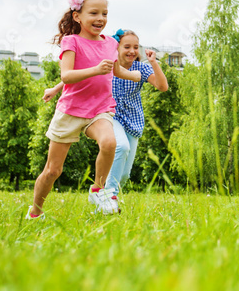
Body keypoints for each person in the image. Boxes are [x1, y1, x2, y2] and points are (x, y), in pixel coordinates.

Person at [27, 0, 141, 219]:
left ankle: (99, 190)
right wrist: (96, 70)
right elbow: (67, 75)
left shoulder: (111, 43)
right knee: (52, 171)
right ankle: (36, 210)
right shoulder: (72, 42)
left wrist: (137, 75)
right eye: (94, 13)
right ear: (77, 16)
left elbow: (116, 70)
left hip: (100, 108)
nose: (101, 18)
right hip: (70, 111)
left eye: (105, 13)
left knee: (110, 143)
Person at [43, 29, 169, 209]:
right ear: (117, 49)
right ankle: (106, 199)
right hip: (108, 114)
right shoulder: (107, 64)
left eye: (135, 47)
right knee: (121, 146)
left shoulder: (141, 68)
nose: (132, 51)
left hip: (133, 120)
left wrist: (154, 62)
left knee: (124, 175)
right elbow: (78, 75)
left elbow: (162, 86)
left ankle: (105, 200)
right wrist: (55, 89)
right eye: (127, 47)